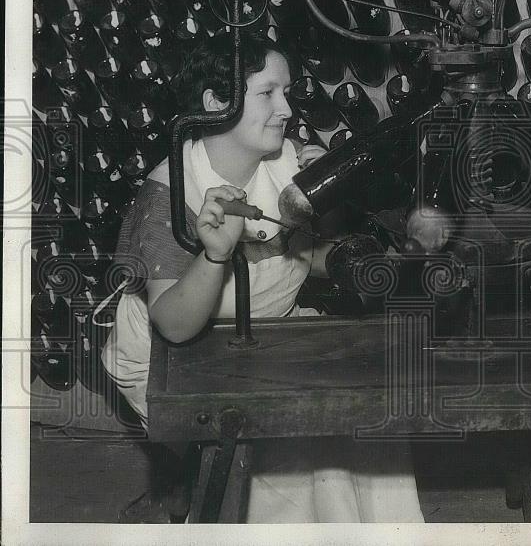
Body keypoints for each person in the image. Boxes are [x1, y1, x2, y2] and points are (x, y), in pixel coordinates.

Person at [101, 33, 424, 523]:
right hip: (171, 353)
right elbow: (176, 326)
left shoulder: (290, 161)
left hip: (267, 329)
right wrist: (214, 255)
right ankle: (182, 482)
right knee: (290, 465)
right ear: (215, 104)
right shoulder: (168, 195)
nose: (288, 109)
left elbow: (302, 258)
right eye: (268, 93)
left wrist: (351, 237)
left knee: (367, 424)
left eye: (288, 92)